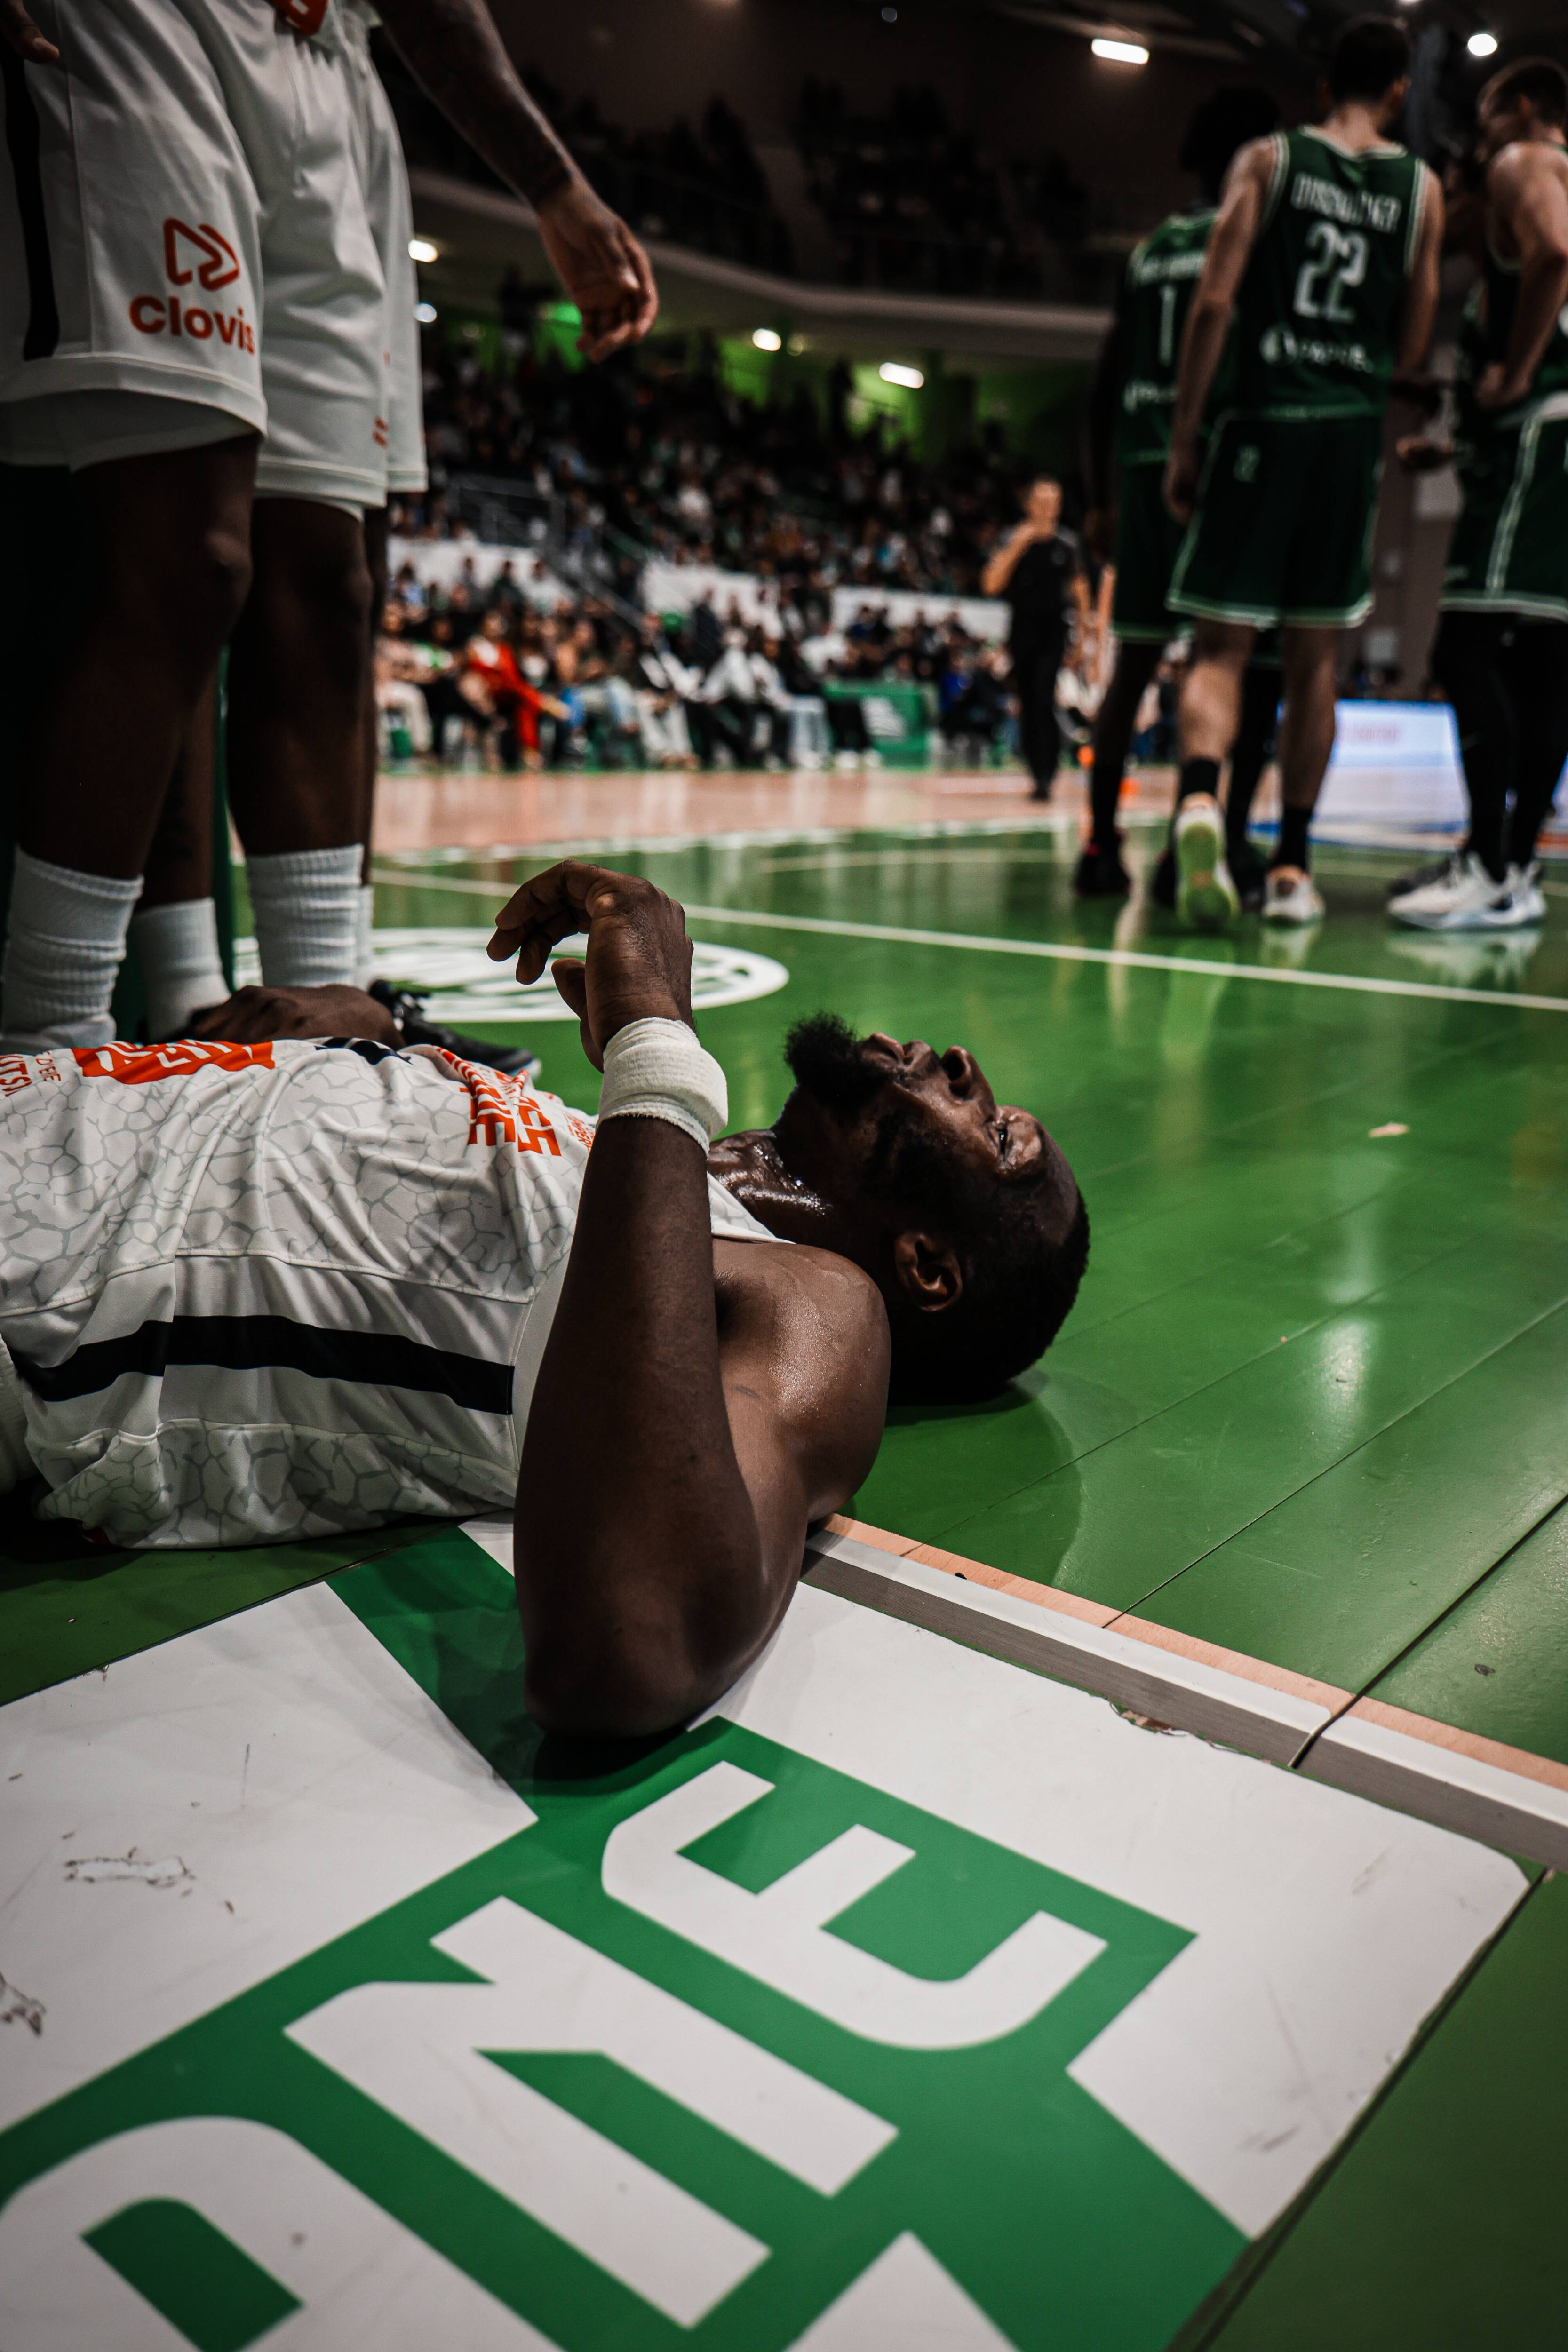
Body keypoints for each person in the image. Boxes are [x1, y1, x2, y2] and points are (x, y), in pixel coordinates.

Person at [0, 864, 1089, 1739]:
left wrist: (654, 1042)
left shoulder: (816, 1300)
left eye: (997, 1131)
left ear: (928, 1268)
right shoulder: (641, 1167)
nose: (962, 1061)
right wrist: (369, 1045)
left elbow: (631, 1645)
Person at [0, 0, 655, 1055]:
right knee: (189, 559)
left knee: (331, 591)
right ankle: (46, 1041)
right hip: (149, 24)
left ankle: (318, 1030)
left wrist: (551, 182)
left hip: (332, 57)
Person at [1162, 15, 1443, 929]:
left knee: (1220, 648)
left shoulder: (1270, 160)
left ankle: (1198, 799)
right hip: (1346, 435)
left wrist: (1186, 433)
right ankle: (1290, 865)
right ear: (1398, 91)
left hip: (1261, 419)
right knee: (1314, 659)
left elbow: (1213, 302)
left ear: (1323, 87)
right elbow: (1414, 334)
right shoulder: (1421, 189)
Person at [1077, 84, 1281, 904]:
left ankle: (1099, 847)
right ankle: (1201, 843)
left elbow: (1102, 384)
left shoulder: (1150, 249)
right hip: (1215, 465)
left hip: (1136, 470)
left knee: (1131, 666)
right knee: (1230, 664)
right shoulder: (1250, 239)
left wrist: (1097, 496)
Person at [1389, 59, 1568, 932]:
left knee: (1462, 648)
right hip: (1544, 448)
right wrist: (1458, 439)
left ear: (1524, 108)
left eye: (1491, 114)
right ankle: (1513, 867)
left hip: (1540, 440)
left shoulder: (1525, 160)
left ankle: (1490, 861)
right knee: (1542, 664)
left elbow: (1554, 255)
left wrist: (1520, 374)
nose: (1481, 135)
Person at [981, 477, 1090, 800]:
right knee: (1028, 701)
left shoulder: (1067, 544)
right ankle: (1034, 771)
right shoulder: (1011, 539)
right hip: (1021, 630)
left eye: (1053, 502)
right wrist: (1019, 544)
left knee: (1044, 696)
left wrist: (1083, 641)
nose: (1048, 509)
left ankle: (1047, 773)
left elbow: (1081, 592)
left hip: (1054, 631)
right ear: (1028, 505)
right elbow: (991, 584)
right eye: (1041, 502)